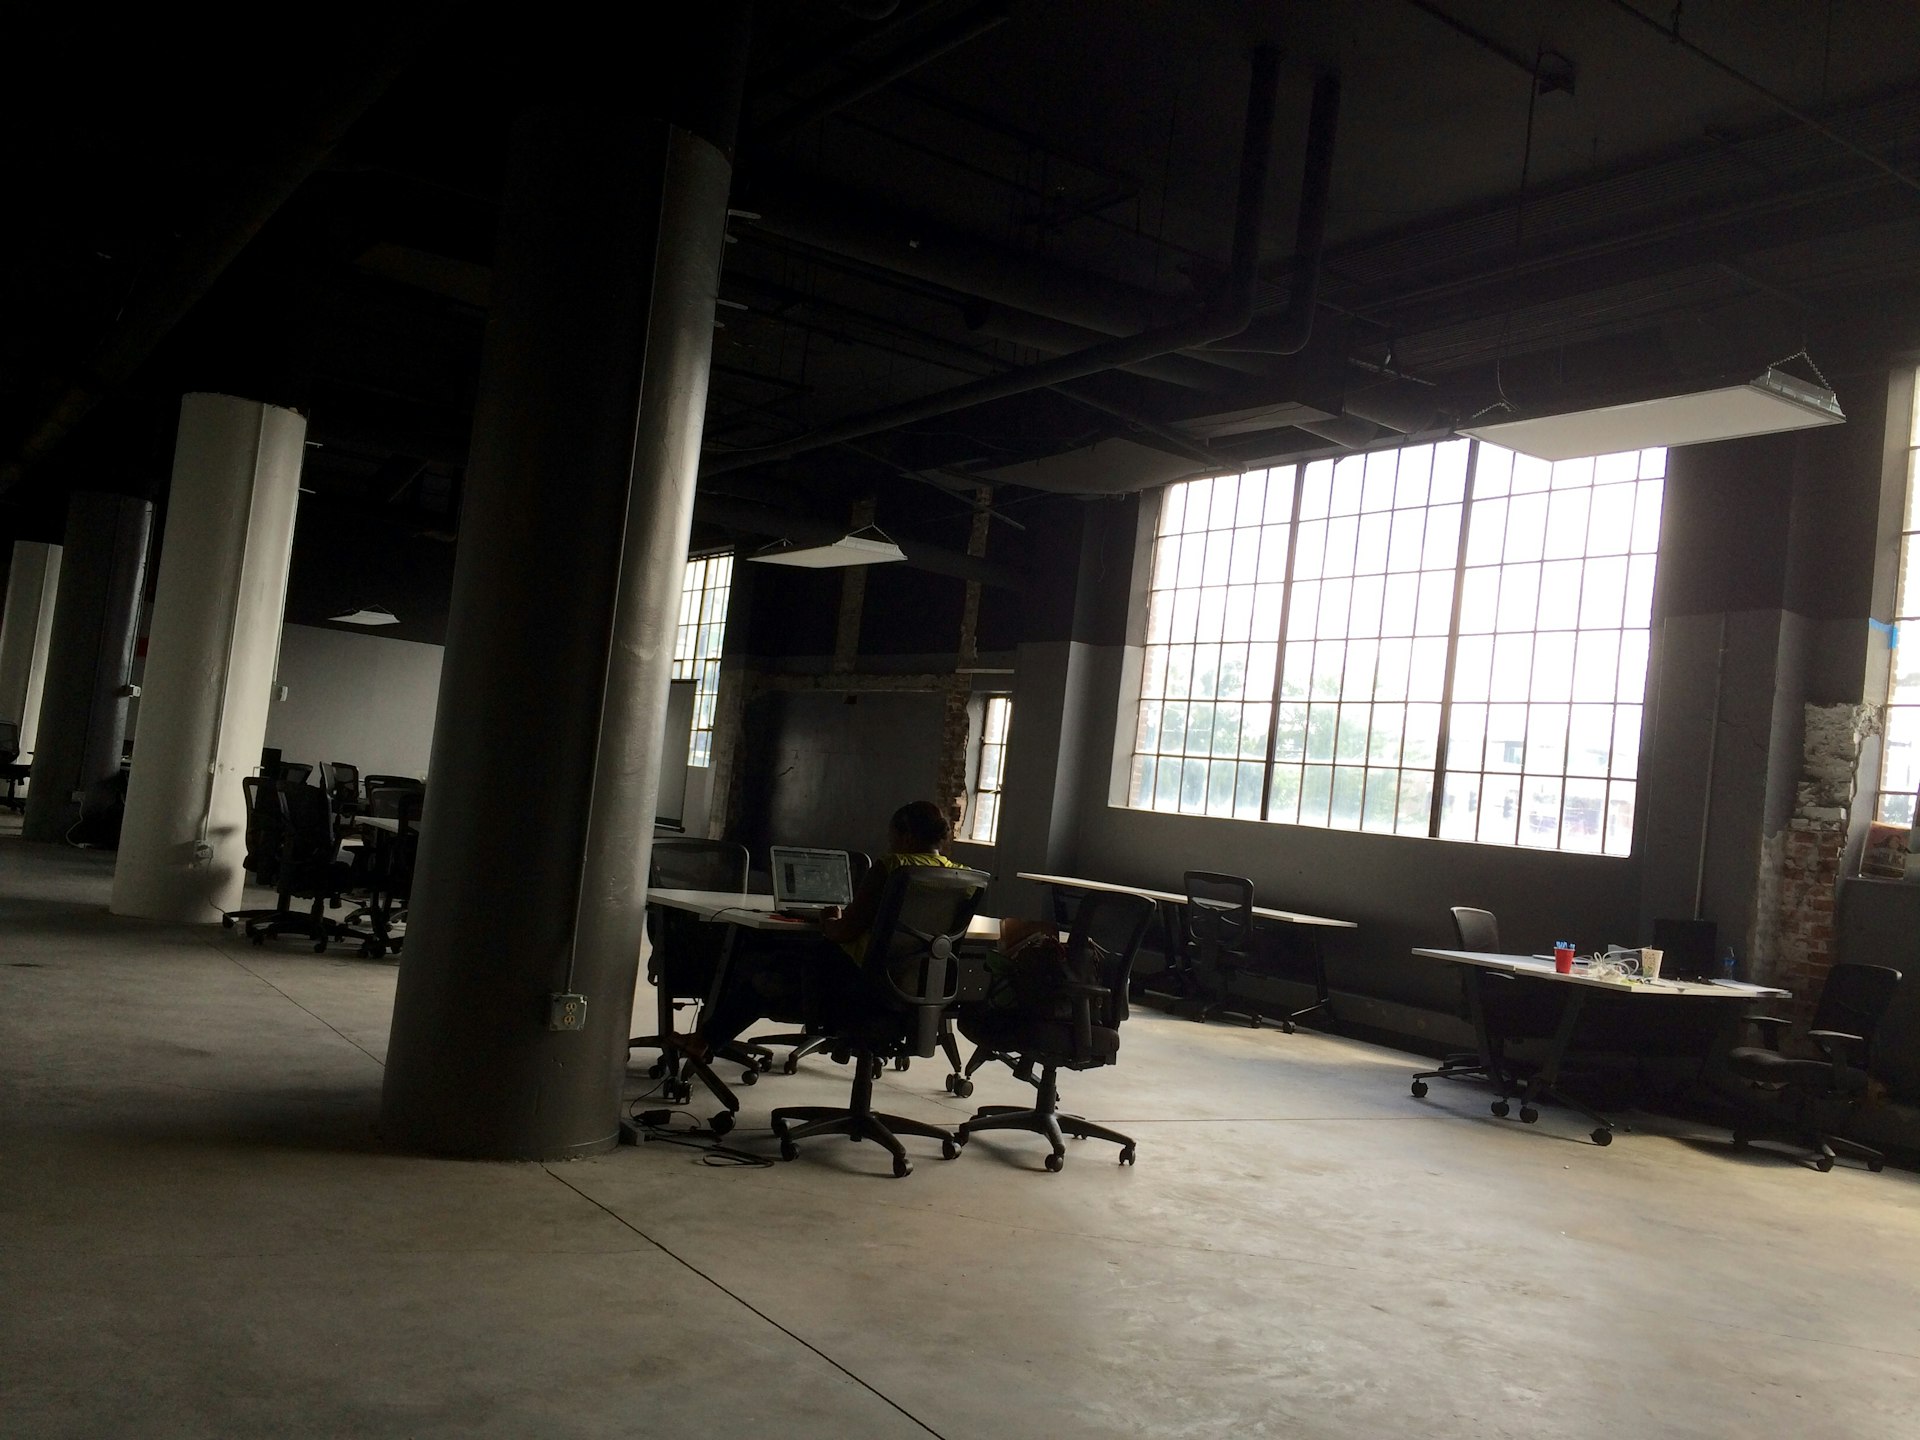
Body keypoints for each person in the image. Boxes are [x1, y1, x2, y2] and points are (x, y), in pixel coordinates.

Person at [690, 801, 960, 1059]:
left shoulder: (892, 868)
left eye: (892, 838)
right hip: (915, 991)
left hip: (856, 985)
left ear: (907, 838)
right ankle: (707, 1040)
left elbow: (842, 932)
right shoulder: (960, 878)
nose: (890, 844)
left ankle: (704, 1041)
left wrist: (830, 918)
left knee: (764, 967)